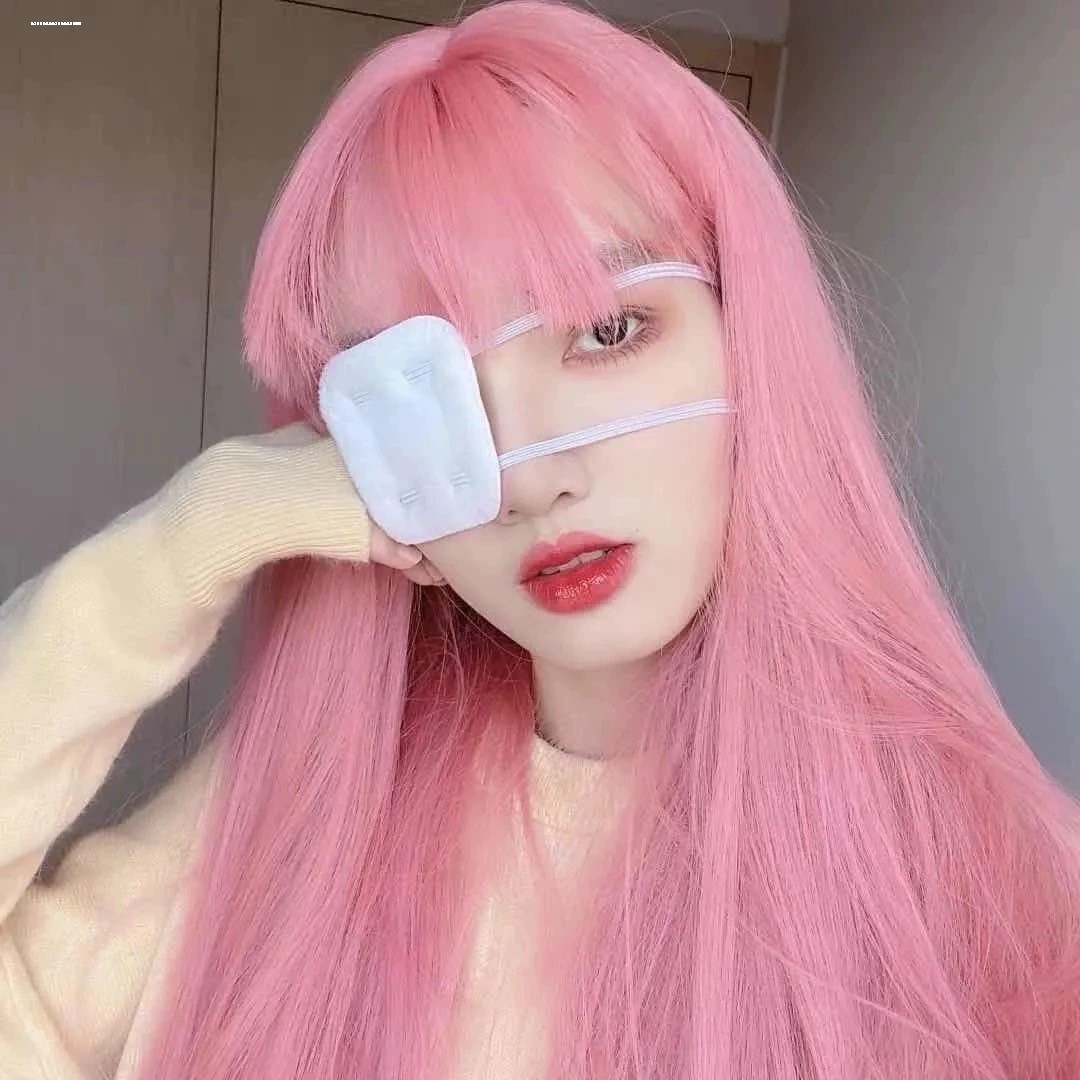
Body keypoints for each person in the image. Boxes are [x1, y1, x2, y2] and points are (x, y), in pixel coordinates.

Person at [3, 1, 1079, 1077]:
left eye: (608, 330)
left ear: (750, 340)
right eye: (425, 397)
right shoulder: (301, 809)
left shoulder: (997, 895)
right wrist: (192, 533)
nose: (524, 479)